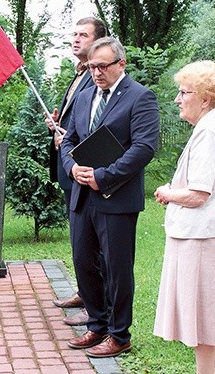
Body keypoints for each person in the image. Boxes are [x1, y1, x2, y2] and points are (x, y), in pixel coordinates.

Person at [60, 37, 160, 358]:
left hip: (116, 198)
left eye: (103, 66)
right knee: (83, 260)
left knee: (117, 269)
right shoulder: (84, 95)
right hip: (81, 195)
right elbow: (68, 141)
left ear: (121, 64)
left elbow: (144, 148)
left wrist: (103, 176)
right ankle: (97, 324)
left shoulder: (140, 97)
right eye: (91, 67)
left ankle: (119, 335)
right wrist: (73, 167)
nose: (96, 73)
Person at [153, 60, 215, 374]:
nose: (178, 99)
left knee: (206, 324)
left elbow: (198, 194)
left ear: (204, 98)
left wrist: (167, 193)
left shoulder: (209, 132)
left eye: (184, 92)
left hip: (204, 239)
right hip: (211, 236)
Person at [46, 17, 107, 327]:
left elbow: (100, 127)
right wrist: (59, 127)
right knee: (80, 240)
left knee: (91, 243)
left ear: (98, 42)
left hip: (87, 170)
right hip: (71, 168)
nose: (75, 39)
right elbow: (76, 122)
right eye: (74, 34)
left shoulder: (96, 79)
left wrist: (67, 135)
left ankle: (96, 303)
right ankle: (86, 293)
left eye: (83, 35)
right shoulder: (79, 76)